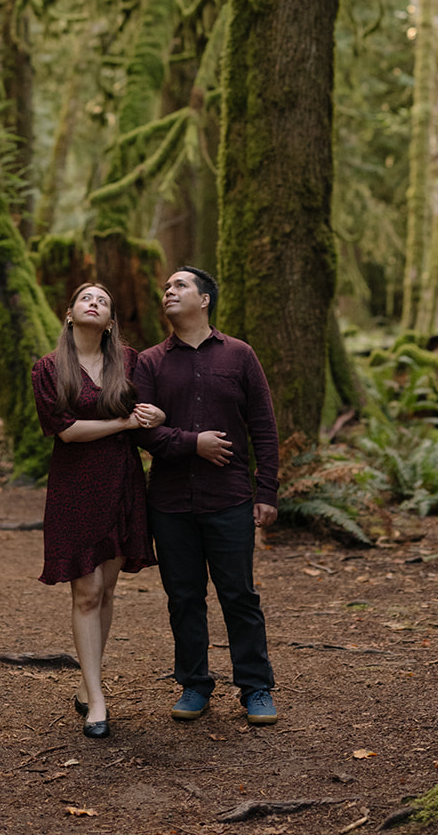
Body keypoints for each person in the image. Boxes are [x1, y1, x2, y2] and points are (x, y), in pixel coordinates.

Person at [132, 266, 280, 726]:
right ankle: (194, 684)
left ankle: (255, 688)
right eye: (166, 288)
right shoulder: (150, 362)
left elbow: (263, 426)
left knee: (239, 595)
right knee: (184, 597)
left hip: (230, 498)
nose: (169, 292)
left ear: (205, 299)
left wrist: (267, 490)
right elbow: (144, 434)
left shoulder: (239, 355)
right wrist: (192, 442)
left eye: (180, 286)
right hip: (171, 502)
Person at [32, 282, 165, 739]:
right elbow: (65, 431)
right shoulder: (48, 369)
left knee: (106, 591)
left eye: (103, 300)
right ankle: (98, 698)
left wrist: (154, 418)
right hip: (74, 489)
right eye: (86, 298)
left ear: (110, 321)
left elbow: (152, 410)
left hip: (122, 483)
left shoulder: (129, 363)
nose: (94, 302)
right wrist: (125, 423)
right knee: (85, 593)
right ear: (69, 313)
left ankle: (88, 685)